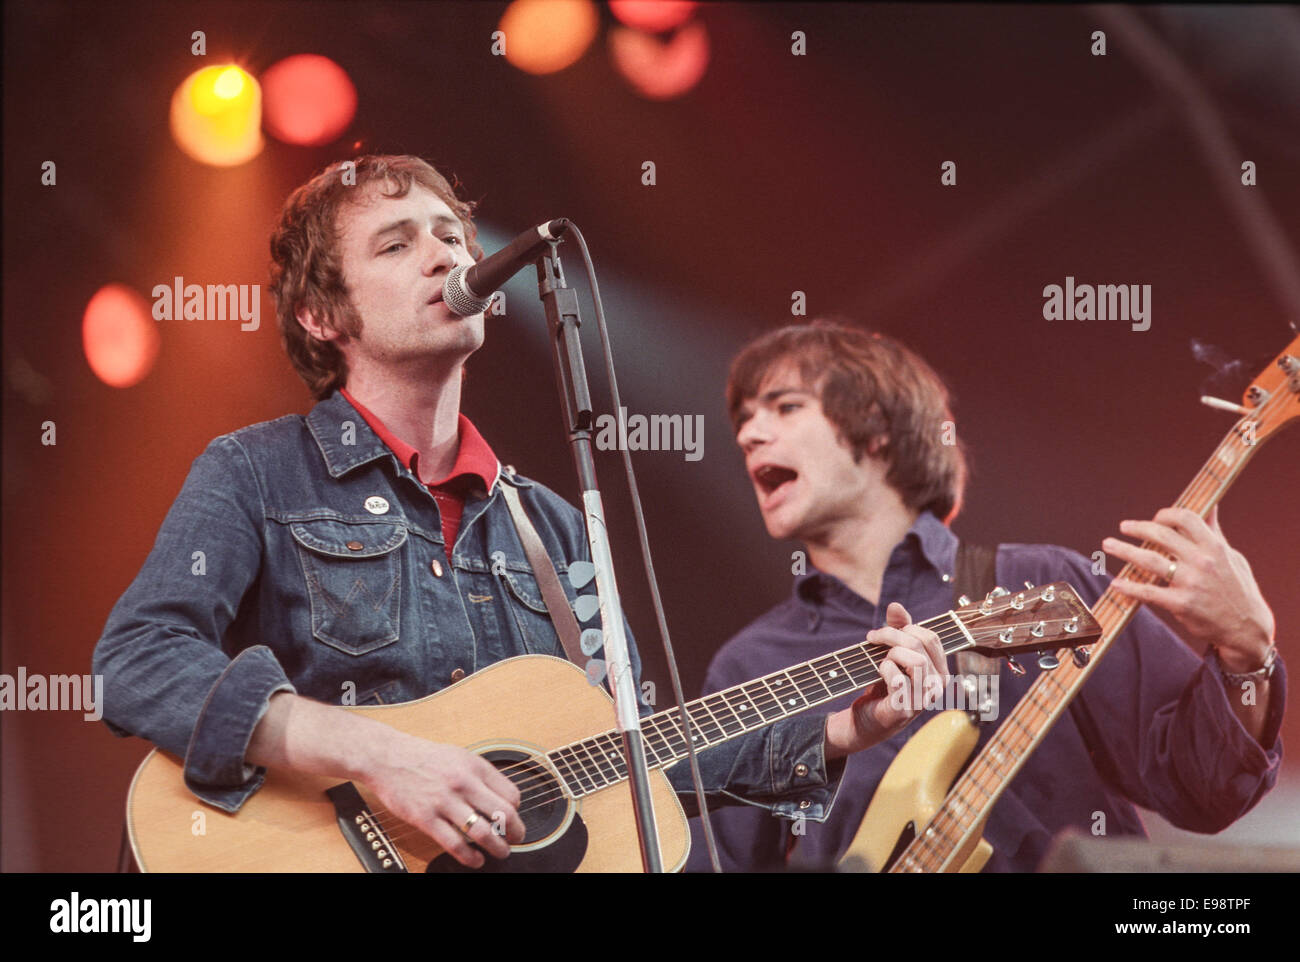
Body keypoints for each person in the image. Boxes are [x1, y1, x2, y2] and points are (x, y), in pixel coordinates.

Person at [93, 157, 948, 871]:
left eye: (450, 236)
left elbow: (632, 754)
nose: (443, 256)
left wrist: (841, 726)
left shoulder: (555, 528)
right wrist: (377, 754)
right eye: (397, 244)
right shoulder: (256, 472)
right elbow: (137, 662)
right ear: (322, 317)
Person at [686, 319, 1285, 872]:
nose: (749, 434)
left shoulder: (1040, 584)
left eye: (784, 407)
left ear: (874, 427)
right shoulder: (748, 664)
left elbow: (1207, 789)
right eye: (742, 419)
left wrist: (1246, 650)